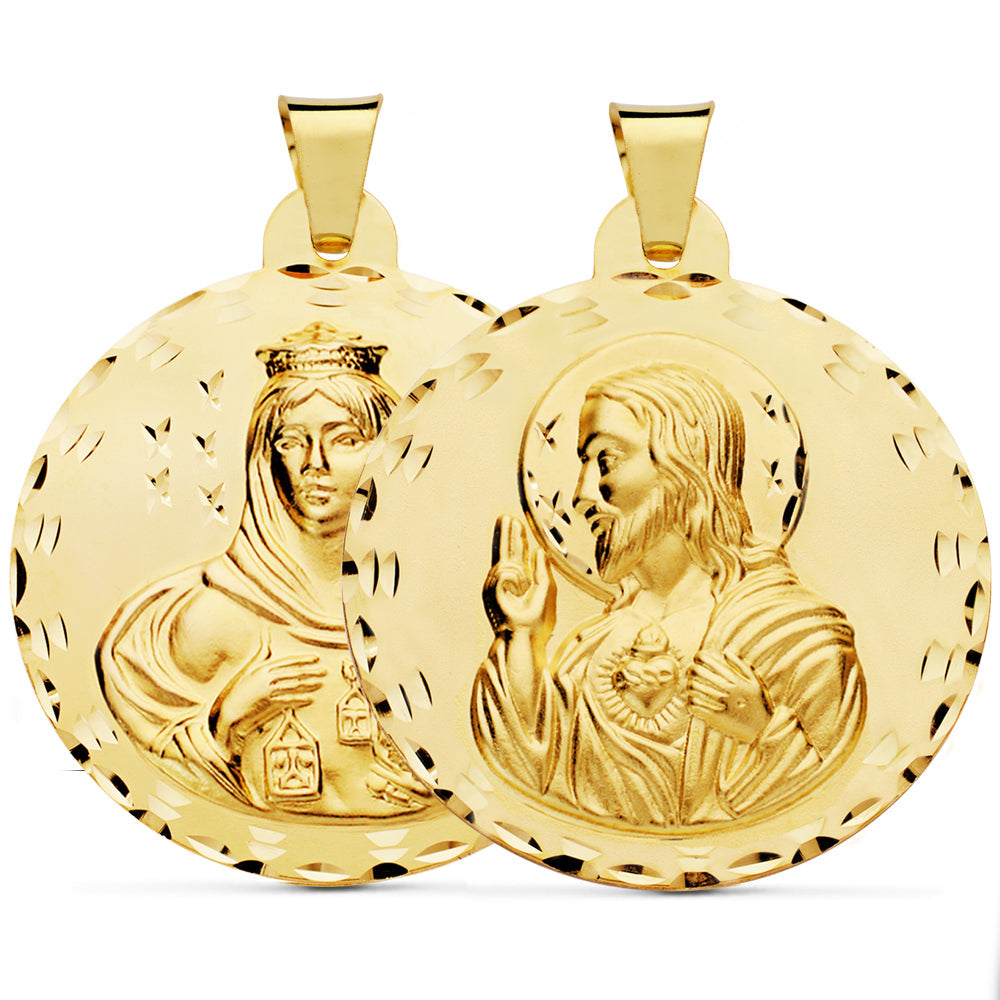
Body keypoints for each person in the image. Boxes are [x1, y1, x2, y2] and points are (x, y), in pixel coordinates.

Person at [473, 362, 865, 827]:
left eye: (605, 460)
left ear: (685, 463)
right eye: (584, 464)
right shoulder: (588, 648)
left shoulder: (796, 640)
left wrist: (763, 730)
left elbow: (828, 796)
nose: (581, 495)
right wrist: (520, 637)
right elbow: (530, 782)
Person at [98, 322, 430, 817]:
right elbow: (166, 764)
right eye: (292, 442)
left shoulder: (444, 608)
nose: (315, 463)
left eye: (345, 439)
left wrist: (445, 788)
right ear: (263, 458)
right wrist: (228, 716)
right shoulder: (204, 621)